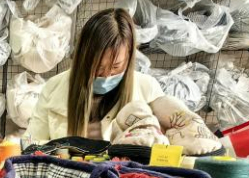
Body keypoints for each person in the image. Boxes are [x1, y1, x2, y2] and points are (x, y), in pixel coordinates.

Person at [26, 9, 167, 142]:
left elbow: (165, 148)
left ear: (129, 57)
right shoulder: (54, 87)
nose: (106, 76)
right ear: (84, 58)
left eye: (116, 66)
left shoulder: (149, 90)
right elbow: (31, 143)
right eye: (98, 67)